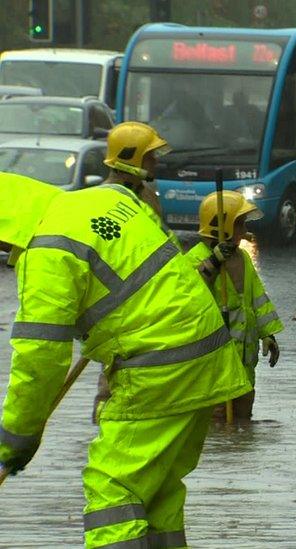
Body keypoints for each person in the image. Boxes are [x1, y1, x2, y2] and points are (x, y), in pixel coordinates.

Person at [0, 173, 250, 547]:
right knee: (157, 495)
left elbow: (40, 357)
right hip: (205, 357)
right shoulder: (106, 198)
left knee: (112, 492)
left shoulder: (49, 251)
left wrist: (15, 439)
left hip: (159, 370)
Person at [92, 121, 176, 424]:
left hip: (151, 307)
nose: (156, 161)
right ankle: (106, 427)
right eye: (150, 156)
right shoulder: (105, 200)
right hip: (122, 310)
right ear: (132, 158)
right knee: (113, 382)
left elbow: (164, 244)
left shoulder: (147, 195)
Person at [187, 191, 284, 423]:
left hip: (243, 365)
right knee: (216, 424)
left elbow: (257, 299)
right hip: (214, 368)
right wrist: (212, 263)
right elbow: (188, 297)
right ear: (222, 227)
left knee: (242, 425)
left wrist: (267, 334)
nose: (244, 231)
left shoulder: (242, 259)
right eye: (239, 224)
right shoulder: (193, 259)